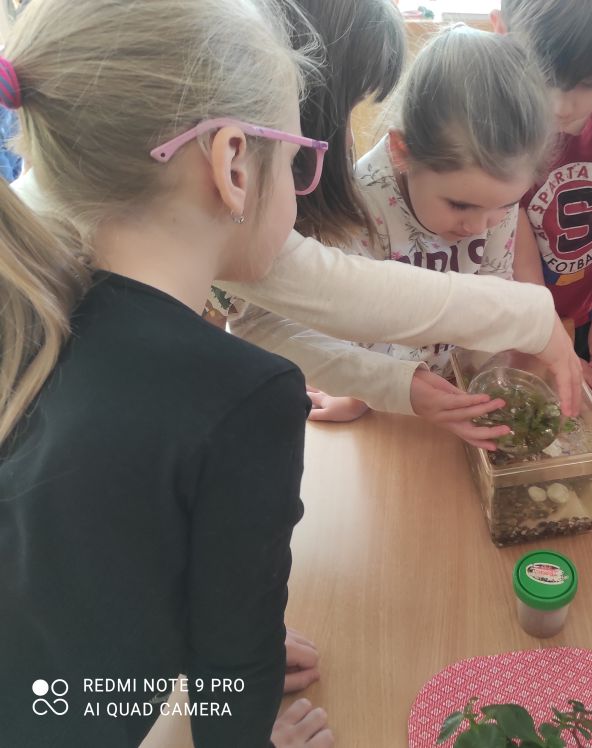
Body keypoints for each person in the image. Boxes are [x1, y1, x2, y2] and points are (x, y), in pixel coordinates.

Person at [0, 0, 332, 744]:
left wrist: (198, 643)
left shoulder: (25, 313)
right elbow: (233, 676)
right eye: (296, 161)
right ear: (234, 164)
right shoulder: (249, 397)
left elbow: (86, 575)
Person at [240, 24, 553, 438]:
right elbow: (348, 321)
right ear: (402, 152)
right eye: (460, 206)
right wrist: (364, 393)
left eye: (505, 206)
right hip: (389, 398)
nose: (479, 226)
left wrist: (488, 374)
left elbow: (495, 289)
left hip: (451, 389)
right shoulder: (362, 198)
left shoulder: (493, 199)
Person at [493, 0, 592, 400]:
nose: (562, 106)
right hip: (519, 312)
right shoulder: (501, 115)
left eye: (588, 83)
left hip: (583, 309)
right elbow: (514, 236)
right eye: (543, 77)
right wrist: (546, 334)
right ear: (502, 32)